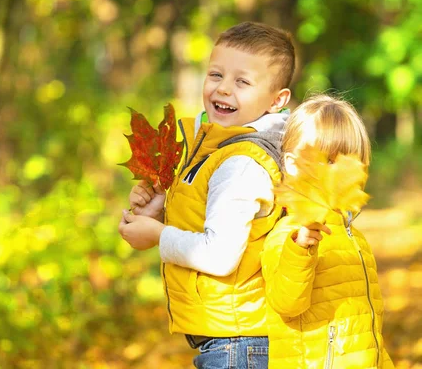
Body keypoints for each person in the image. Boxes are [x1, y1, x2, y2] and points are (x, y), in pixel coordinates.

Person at [118, 21, 295, 368]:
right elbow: (213, 220)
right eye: (216, 75)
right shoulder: (218, 150)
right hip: (233, 336)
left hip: (239, 341)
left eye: (242, 81)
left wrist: (158, 235)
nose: (224, 89)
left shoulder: (241, 163)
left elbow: (219, 255)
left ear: (277, 100)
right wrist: (162, 211)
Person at [261, 95, 395, 369]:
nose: (344, 171)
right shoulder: (289, 235)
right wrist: (299, 252)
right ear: (294, 164)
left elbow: (368, 331)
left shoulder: (354, 238)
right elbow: (286, 303)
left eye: (352, 160)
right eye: (331, 159)